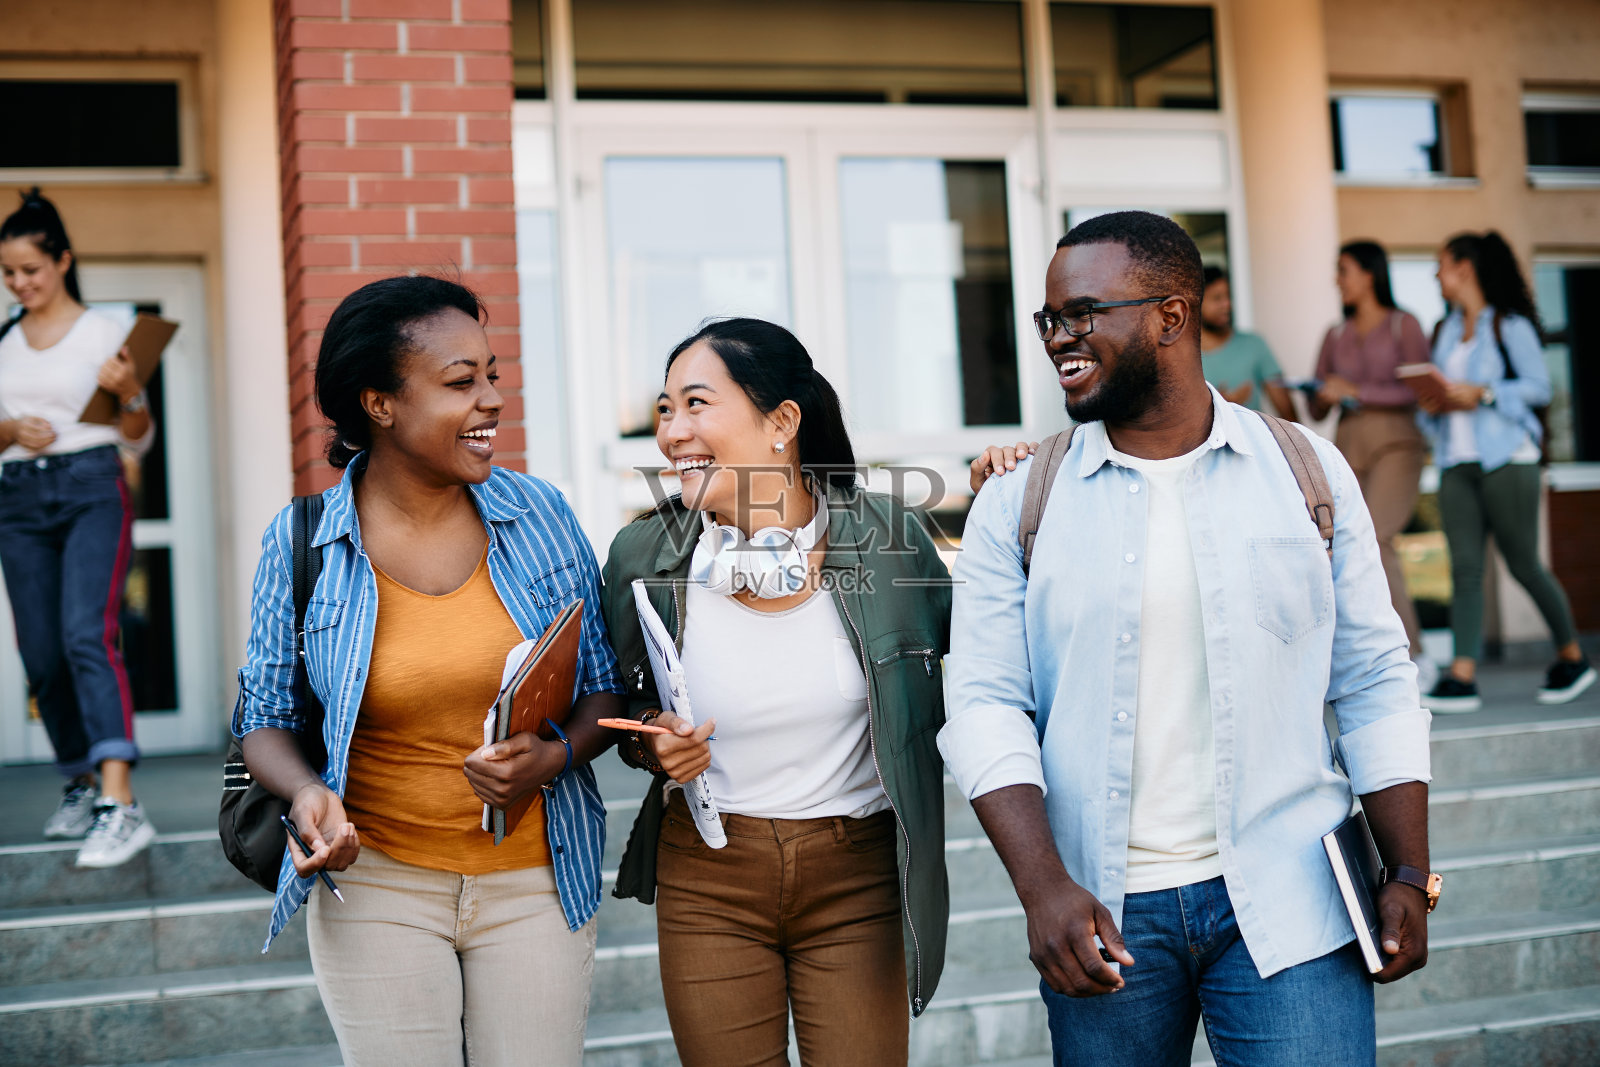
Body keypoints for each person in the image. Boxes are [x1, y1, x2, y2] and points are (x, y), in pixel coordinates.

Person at [949, 212, 1434, 1065]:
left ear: (1173, 316)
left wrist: (1406, 872)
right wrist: (1043, 888)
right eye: (1050, 319)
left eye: (1084, 312)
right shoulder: (1018, 501)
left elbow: (1372, 677)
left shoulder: (1307, 474)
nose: (1061, 337)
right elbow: (986, 701)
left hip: (1295, 903)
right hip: (1102, 915)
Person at [234, 275, 626, 1066]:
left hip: (537, 883)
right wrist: (310, 792)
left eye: (492, 376)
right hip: (377, 884)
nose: (490, 400)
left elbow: (602, 684)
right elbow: (263, 718)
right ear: (379, 402)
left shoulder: (541, 512)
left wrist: (553, 756)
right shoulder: (300, 539)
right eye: (460, 382)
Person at [601, 318, 951, 1066]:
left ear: (781, 423)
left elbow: (982, 669)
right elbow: (626, 707)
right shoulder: (643, 554)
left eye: (697, 404)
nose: (672, 432)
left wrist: (1014, 490)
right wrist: (655, 743)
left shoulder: (891, 540)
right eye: (665, 409)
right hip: (709, 873)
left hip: (856, 874)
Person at [0, 188, 157, 867]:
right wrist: (7, 428)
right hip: (18, 499)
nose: (19, 283)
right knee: (40, 651)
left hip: (92, 486)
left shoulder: (107, 331)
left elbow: (139, 439)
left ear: (63, 260)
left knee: (86, 635)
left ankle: (121, 804)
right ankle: (79, 780)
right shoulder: (3, 338)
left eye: (30, 270)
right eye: (8, 273)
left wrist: (127, 393)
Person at [1417, 231, 1593, 711]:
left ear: (1465, 269)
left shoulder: (1509, 326)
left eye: (1441, 264)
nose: (1436, 274)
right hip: (1457, 461)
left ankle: (1572, 657)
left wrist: (1487, 393)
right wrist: (1432, 402)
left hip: (1507, 461)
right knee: (1466, 571)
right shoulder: (1446, 330)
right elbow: (1436, 398)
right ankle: (1462, 675)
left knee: (1523, 565)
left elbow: (1538, 387)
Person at [1309, 240, 1434, 688]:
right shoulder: (1334, 334)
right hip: (1347, 448)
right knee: (1342, 546)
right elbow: (1320, 406)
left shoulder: (1405, 325)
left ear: (1368, 274)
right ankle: (1359, 659)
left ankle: (1414, 653)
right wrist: (1320, 393)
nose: (1337, 280)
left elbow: (1422, 392)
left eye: (1343, 270)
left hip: (1397, 445)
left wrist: (1356, 392)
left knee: (1377, 539)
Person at [1198, 266, 1297, 420]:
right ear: (1196, 303)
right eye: (1217, 298)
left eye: (1228, 296)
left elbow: (1288, 412)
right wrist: (1220, 407)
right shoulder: (1185, 356)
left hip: (1253, 443)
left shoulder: (1254, 345)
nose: (1226, 304)